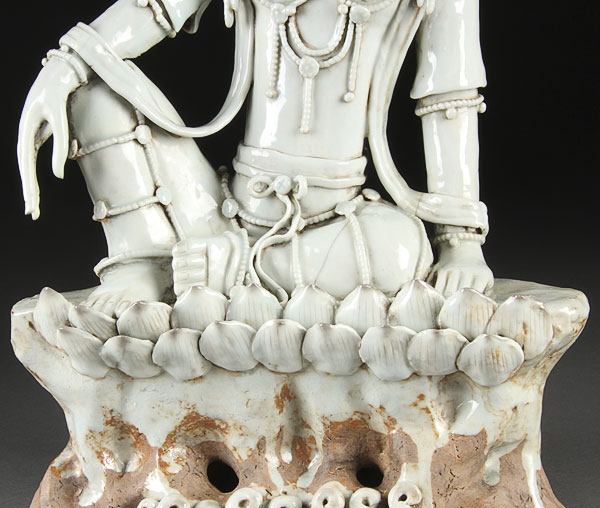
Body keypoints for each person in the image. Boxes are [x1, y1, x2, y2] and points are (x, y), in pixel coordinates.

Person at [18, 0, 493, 317]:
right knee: (92, 94)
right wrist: (66, 63)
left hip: (335, 222)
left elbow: (450, 99)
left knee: (402, 252)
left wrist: (460, 244)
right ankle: (150, 259)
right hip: (220, 208)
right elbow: (156, 8)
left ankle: (222, 269)